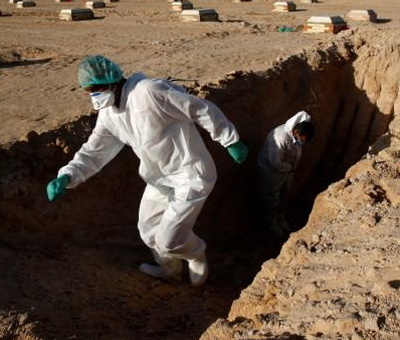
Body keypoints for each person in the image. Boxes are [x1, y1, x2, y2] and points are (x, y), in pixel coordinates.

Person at [46, 55, 249, 286]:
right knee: (148, 230)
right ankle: (170, 271)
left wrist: (229, 140)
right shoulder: (109, 115)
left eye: (96, 89)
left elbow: (200, 108)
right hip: (158, 179)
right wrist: (68, 175)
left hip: (190, 175)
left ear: (112, 79)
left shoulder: (150, 92)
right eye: (89, 91)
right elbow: (94, 151)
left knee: (169, 241)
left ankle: (195, 253)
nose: (94, 96)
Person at [256, 111, 315, 236]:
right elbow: (275, 162)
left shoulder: (298, 136)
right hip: (271, 171)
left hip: (288, 170)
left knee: (285, 194)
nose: (302, 143)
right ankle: (271, 223)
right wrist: (289, 168)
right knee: (272, 198)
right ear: (295, 132)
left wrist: (291, 168)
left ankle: (281, 218)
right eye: (302, 140)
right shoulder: (280, 137)